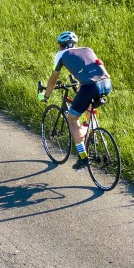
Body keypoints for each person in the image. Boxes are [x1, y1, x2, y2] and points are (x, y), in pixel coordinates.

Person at [37, 31, 112, 169]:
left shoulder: (61, 54)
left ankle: (83, 158)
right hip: (106, 83)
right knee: (89, 108)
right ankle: (92, 133)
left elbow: (53, 79)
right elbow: (88, 71)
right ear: (74, 44)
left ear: (61, 45)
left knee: (72, 118)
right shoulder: (87, 49)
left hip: (90, 86)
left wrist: (45, 96)